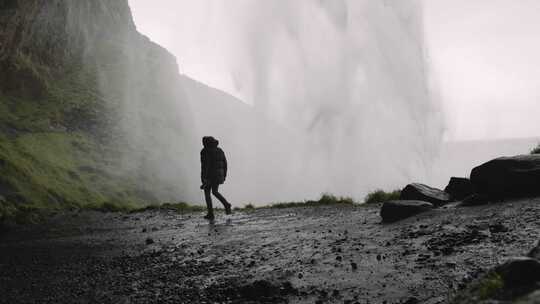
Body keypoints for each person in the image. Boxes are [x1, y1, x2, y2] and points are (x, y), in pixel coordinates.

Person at [200, 136, 232, 220]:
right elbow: (225, 164)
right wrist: (224, 175)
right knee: (215, 191)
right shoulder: (220, 150)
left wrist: (203, 179)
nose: (202, 144)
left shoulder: (205, 151)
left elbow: (205, 166)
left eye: (203, 142)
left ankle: (211, 214)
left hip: (210, 176)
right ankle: (226, 204)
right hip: (218, 176)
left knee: (207, 194)